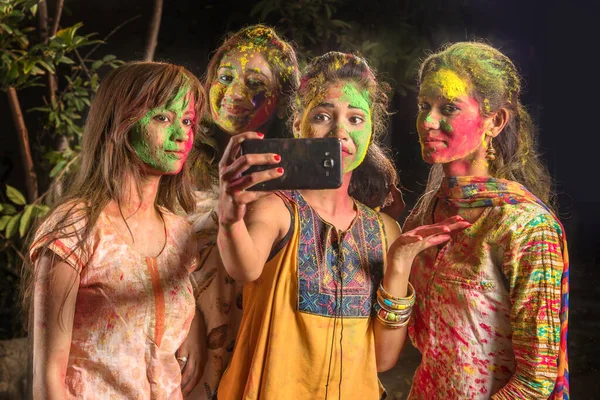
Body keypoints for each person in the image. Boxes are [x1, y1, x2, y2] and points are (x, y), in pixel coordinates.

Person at [214, 51, 470, 399]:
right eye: (322, 115)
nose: (338, 131)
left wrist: (399, 263)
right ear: (297, 127)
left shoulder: (383, 229)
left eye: (355, 119)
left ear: (370, 134)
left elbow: (382, 358)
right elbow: (244, 268)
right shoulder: (276, 209)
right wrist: (230, 220)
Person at [23, 62, 207, 399]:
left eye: (187, 121)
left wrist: (197, 326)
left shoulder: (181, 233)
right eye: (163, 118)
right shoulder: (76, 227)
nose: (182, 134)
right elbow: (48, 376)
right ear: (119, 123)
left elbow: (162, 313)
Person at [402, 42, 569, 399]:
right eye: (424, 106)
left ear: (494, 121)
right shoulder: (426, 211)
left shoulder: (524, 225)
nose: (428, 121)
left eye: (448, 107)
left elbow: (535, 381)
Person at [182, 24, 301, 399]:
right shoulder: (178, 162)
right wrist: (187, 330)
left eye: (254, 83)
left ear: (282, 98)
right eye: (226, 76)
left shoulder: (296, 175)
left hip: (265, 343)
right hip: (190, 345)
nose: (234, 92)